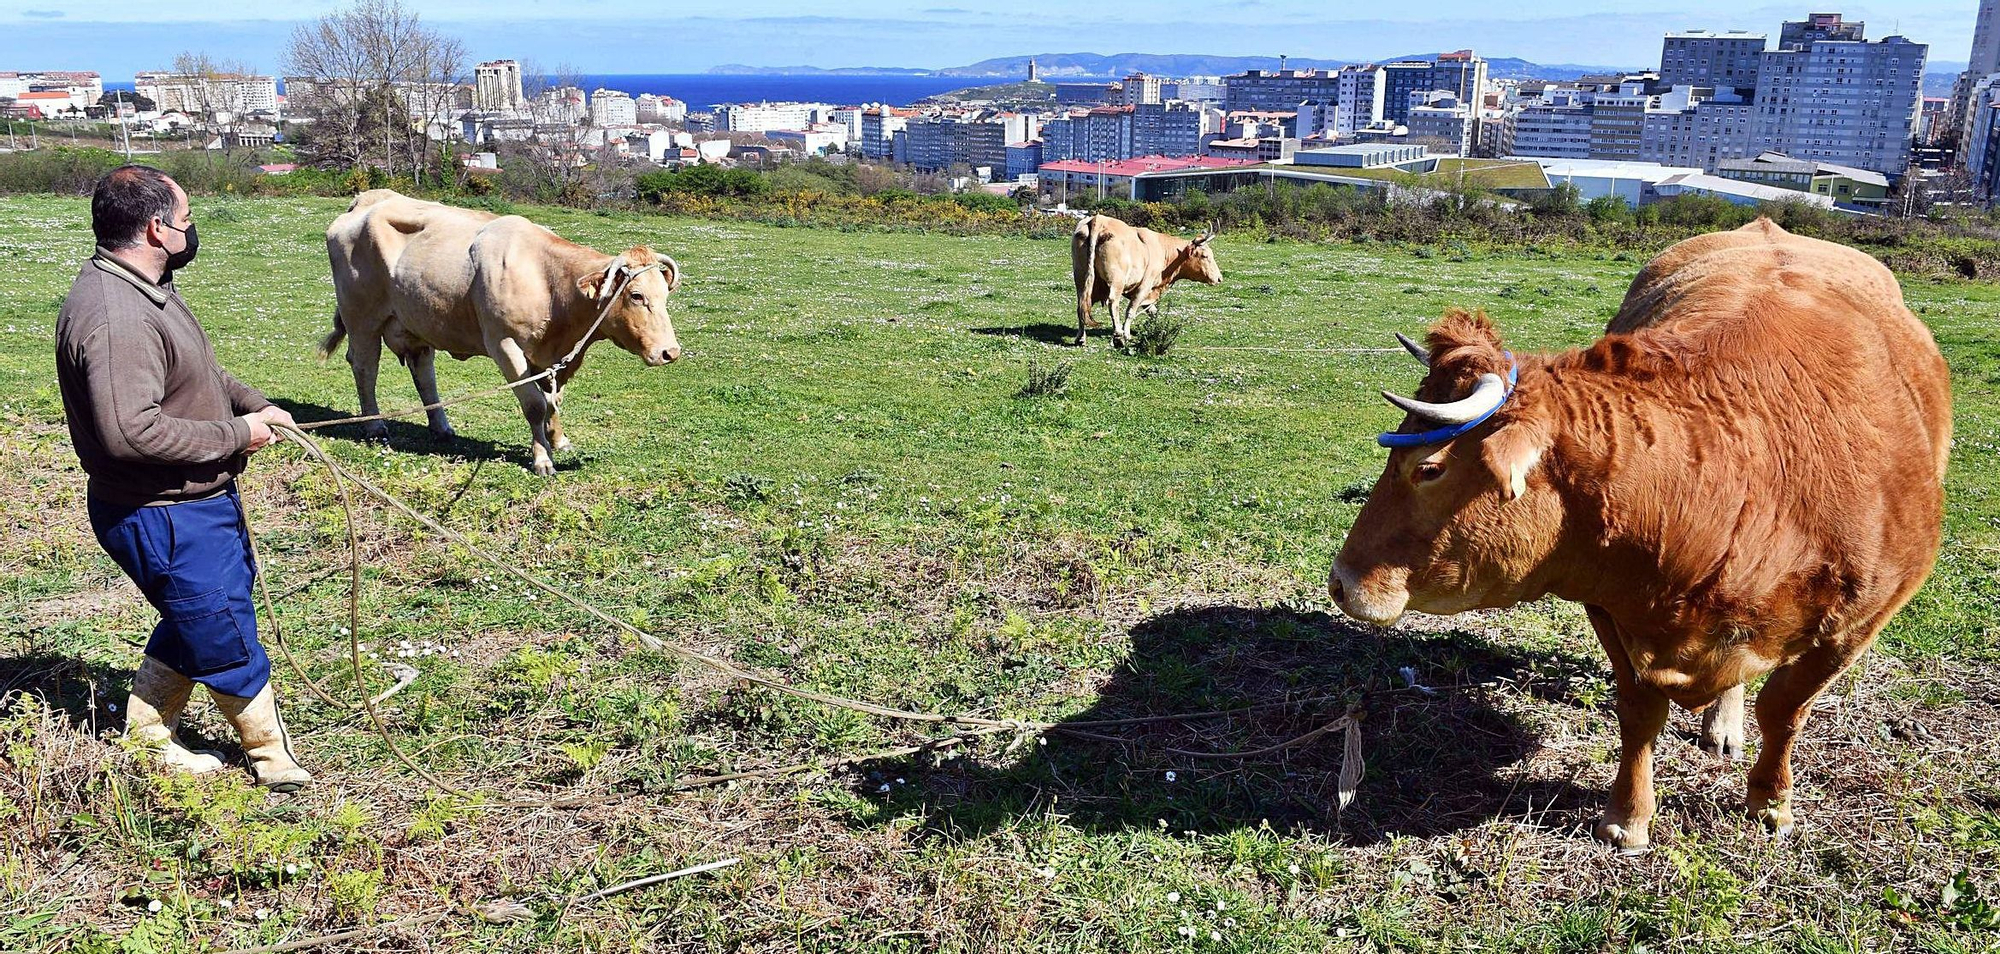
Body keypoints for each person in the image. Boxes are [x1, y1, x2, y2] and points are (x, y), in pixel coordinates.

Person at [54, 165, 311, 792]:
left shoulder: (145, 285)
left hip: (190, 503)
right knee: (219, 622)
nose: (190, 230)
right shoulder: (118, 317)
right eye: (186, 219)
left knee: (198, 609)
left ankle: (144, 733)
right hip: (160, 509)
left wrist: (253, 404)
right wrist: (236, 436)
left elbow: (198, 373)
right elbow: (130, 431)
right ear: (155, 228)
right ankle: (271, 758)